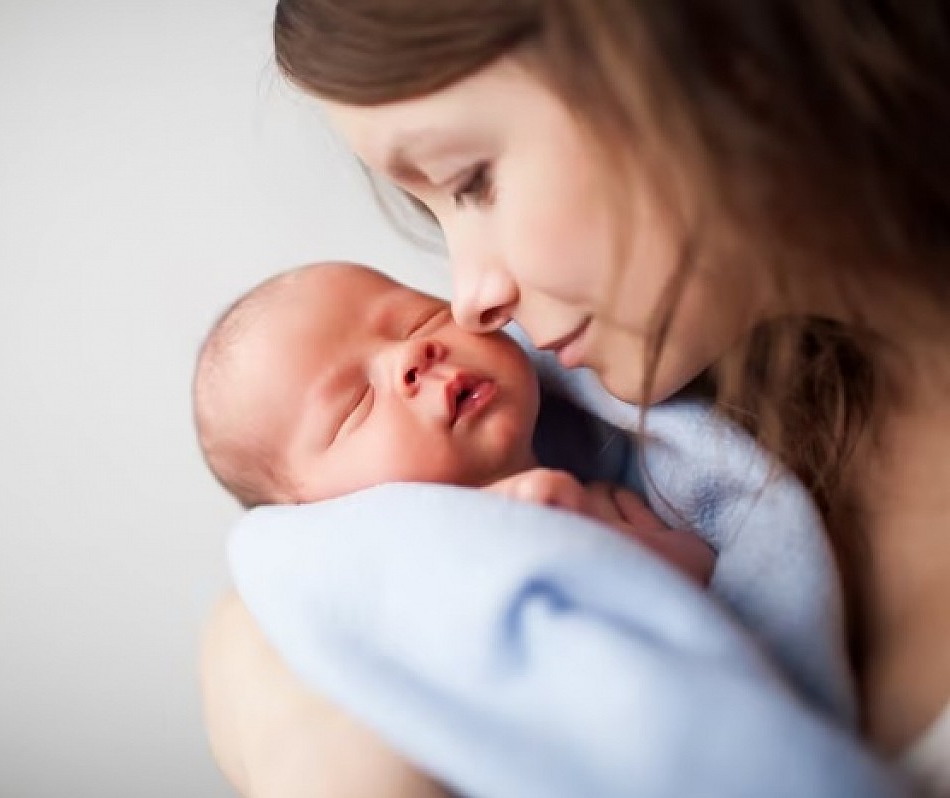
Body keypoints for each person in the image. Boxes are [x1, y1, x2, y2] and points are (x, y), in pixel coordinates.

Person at [205, 2, 950, 795]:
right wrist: (307, 732)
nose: (469, 301)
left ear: (703, 42)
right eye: (438, 210)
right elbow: (275, 593)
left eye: (471, 180)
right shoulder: (642, 415)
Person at [193, 260, 715, 582]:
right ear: (320, 515)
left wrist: (618, 545)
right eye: (355, 403)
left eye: (417, 319)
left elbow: (719, 589)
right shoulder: (395, 586)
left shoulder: (605, 495)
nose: (412, 354)